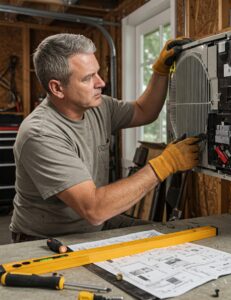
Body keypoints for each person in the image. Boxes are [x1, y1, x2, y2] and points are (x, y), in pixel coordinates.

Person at [10, 33, 199, 242]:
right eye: (87, 78)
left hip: (93, 225)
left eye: (97, 73)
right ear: (57, 88)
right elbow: (94, 208)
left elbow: (144, 110)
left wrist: (160, 72)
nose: (100, 82)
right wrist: (166, 163)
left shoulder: (98, 107)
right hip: (45, 239)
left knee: (169, 239)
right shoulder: (40, 133)